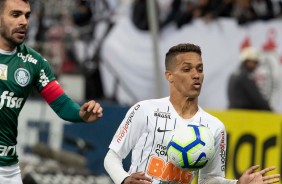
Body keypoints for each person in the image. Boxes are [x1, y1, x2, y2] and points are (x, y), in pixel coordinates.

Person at [104, 43, 280, 184]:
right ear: (169, 75)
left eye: (200, 69)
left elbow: (208, 180)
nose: (196, 75)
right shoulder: (144, 110)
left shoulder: (214, 126)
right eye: (187, 69)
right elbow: (112, 157)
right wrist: (124, 179)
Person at [0, 0, 103, 183]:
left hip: (8, 170)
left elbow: (61, 103)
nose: (24, 21)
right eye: (15, 15)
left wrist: (80, 114)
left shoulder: (34, 62)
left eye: (27, 15)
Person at [227, 46, 272, 111]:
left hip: (234, 113)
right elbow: (257, 98)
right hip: (245, 114)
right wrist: (269, 110)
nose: (255, 65)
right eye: (254, 62)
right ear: (247, 61)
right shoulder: (245, 76)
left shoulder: (234, 74)